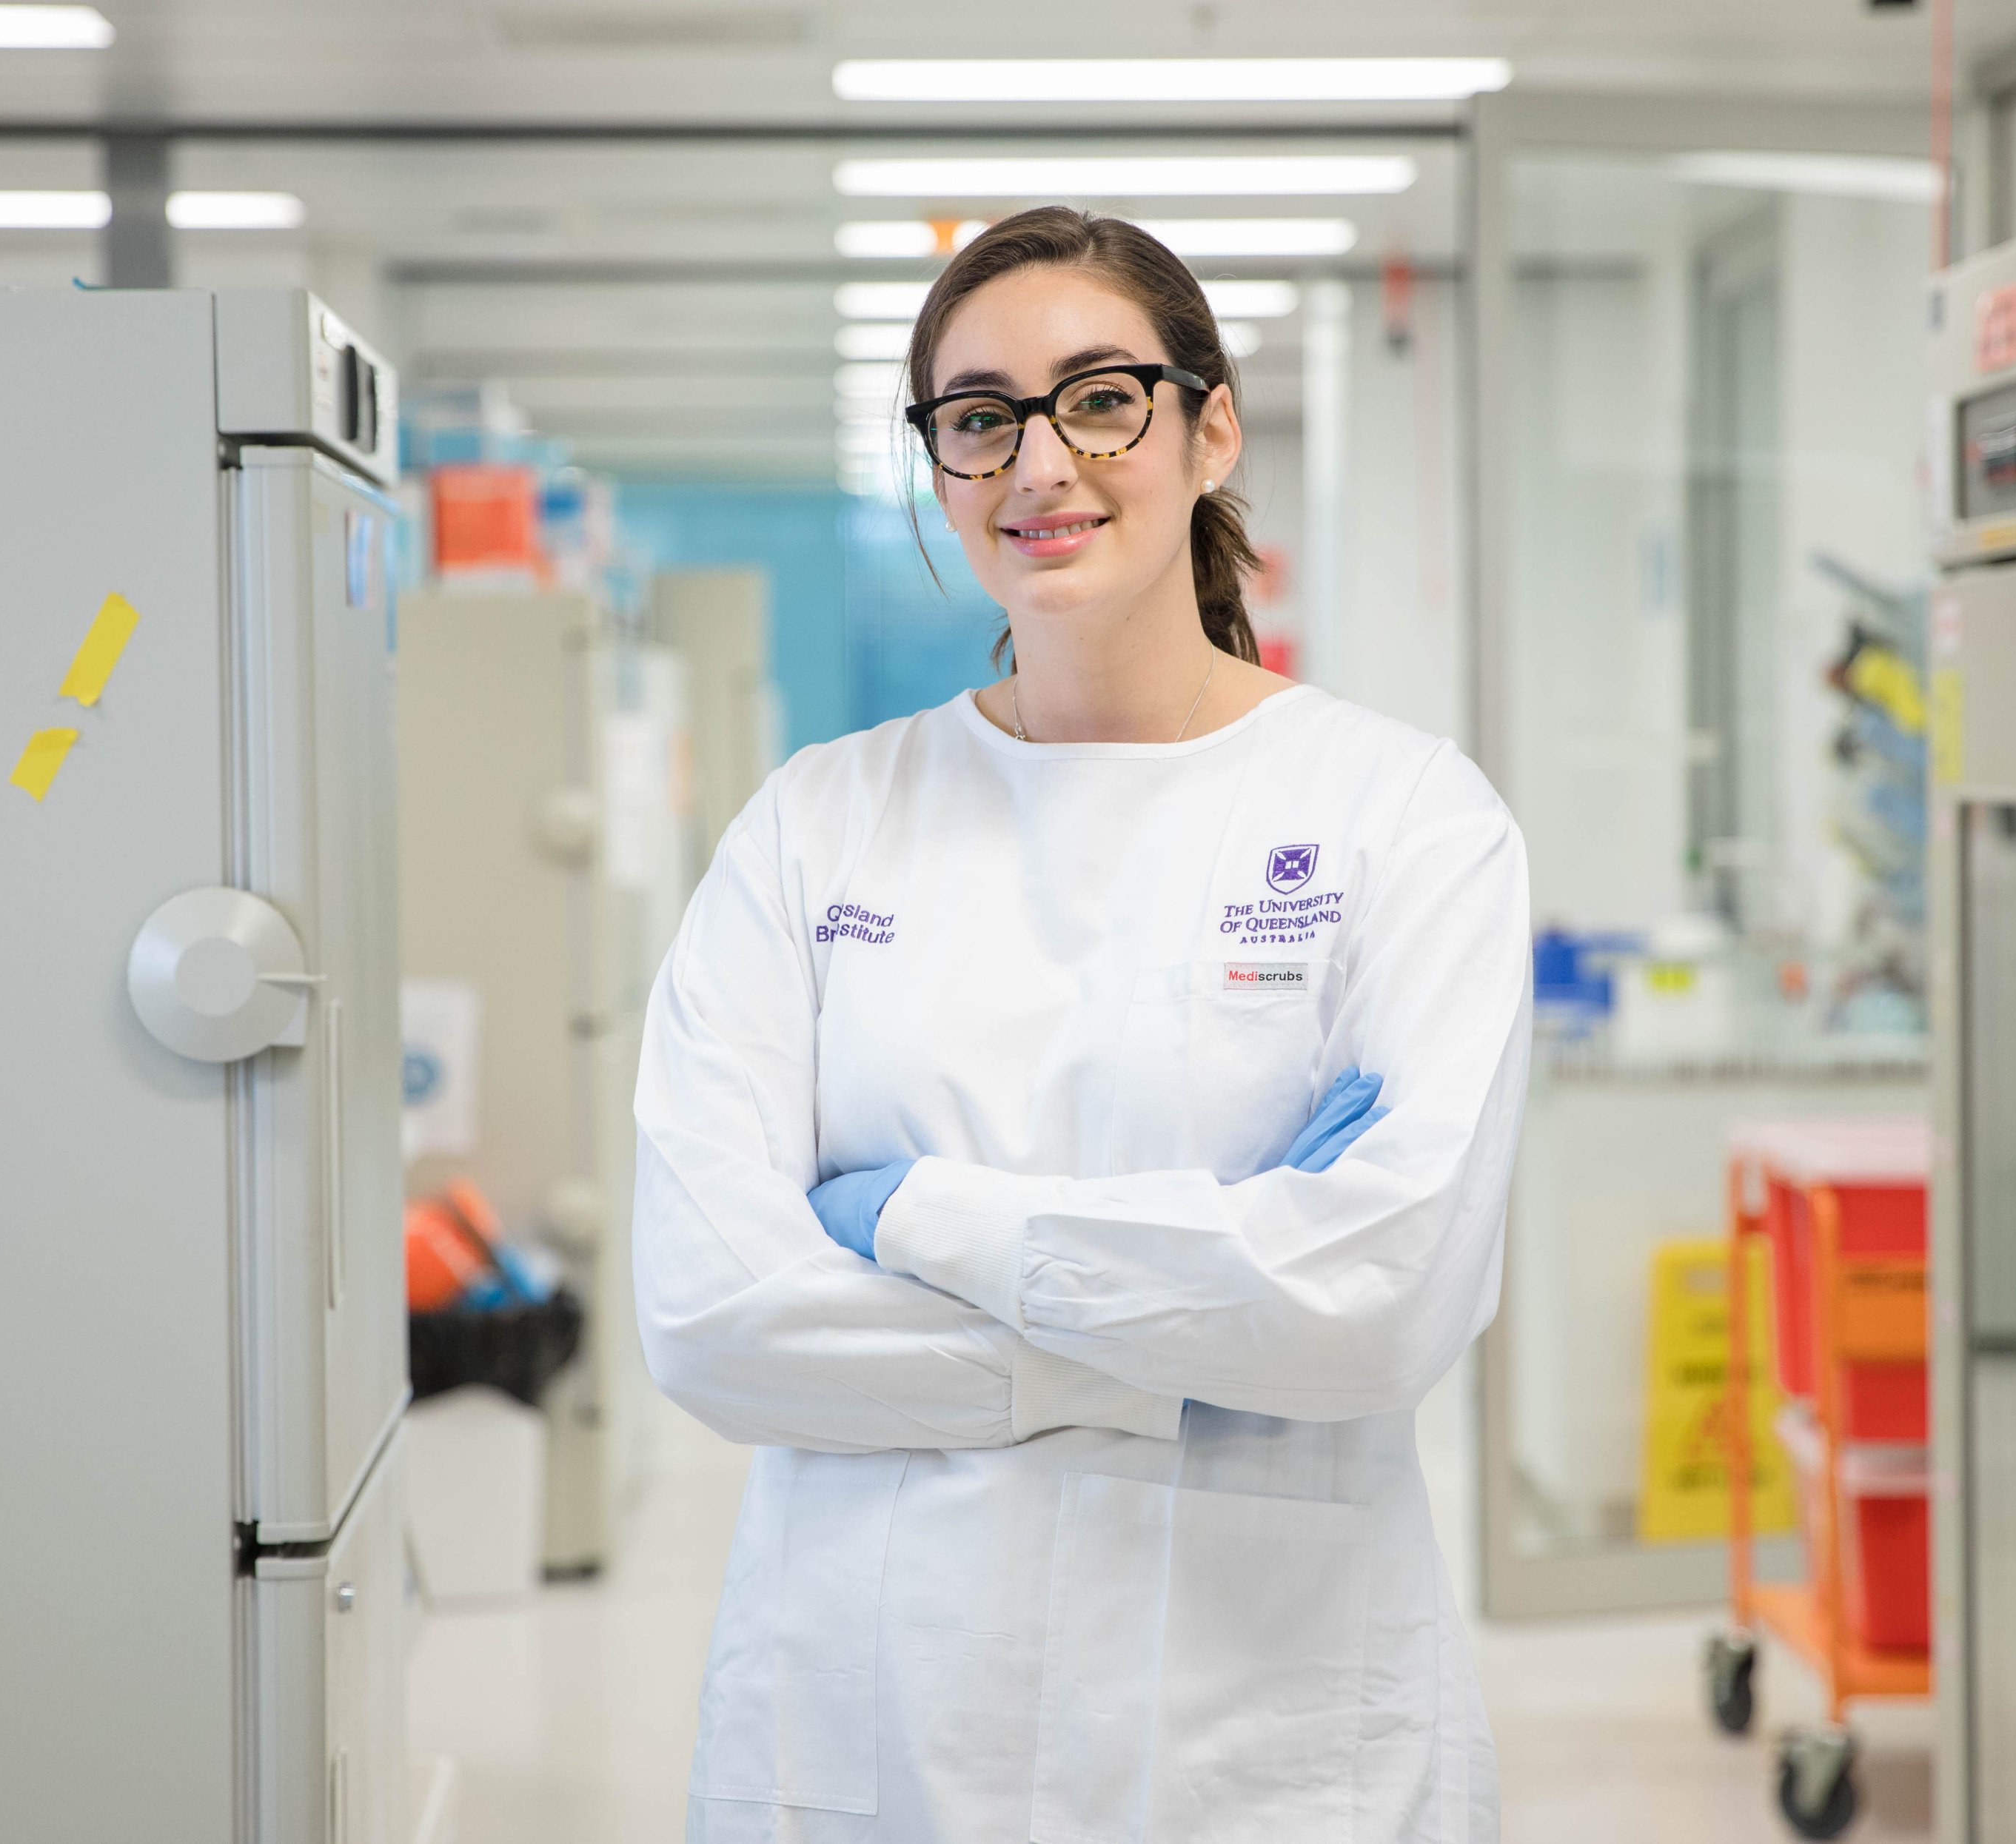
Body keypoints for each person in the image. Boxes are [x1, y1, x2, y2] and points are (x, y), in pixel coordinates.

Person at [633, 205, 1533, 1841]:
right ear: (939, 465)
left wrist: (914, 1216)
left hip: (1261, 1733)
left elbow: (1379, 1305)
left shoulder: (1400, 815)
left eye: (1100, 397)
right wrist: (1203, 1318)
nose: (1039, 462)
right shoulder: (816, 824)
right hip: (871, 1715)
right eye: (978, 417)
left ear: (1208, 425)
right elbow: (713, 1317)